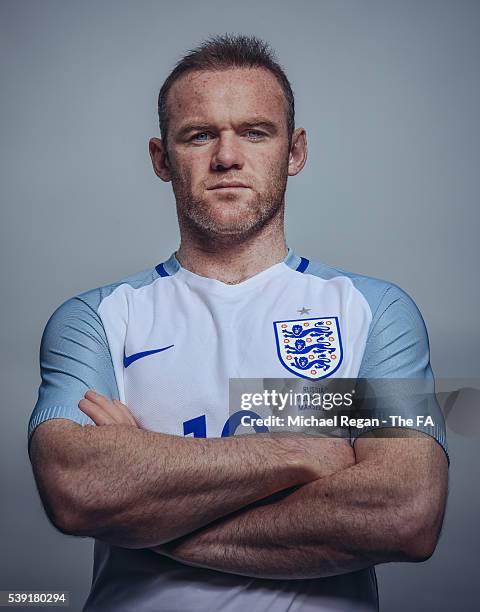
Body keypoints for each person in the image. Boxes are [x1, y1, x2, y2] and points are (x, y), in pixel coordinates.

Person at [28, 34, 449, 612]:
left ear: (294, 151)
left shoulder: (376, 312)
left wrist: (147, 505)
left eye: (255, 132)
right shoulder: (94, 320)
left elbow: (405, 513)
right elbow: (76, 491)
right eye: (199, 135)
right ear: (161, 158)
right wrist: (299, 452)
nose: (227, 156)